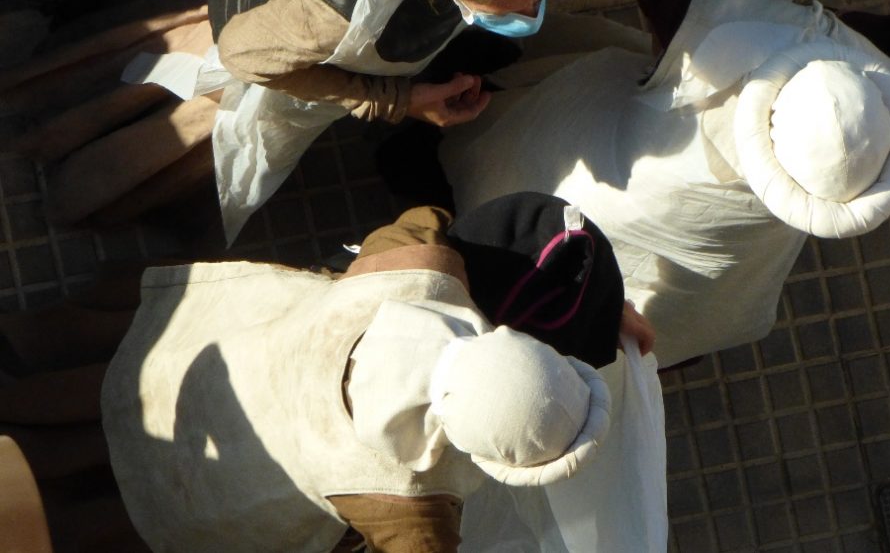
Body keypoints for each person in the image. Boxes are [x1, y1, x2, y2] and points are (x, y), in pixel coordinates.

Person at [0, 192, 658, 552]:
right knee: (108, 512)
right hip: (209, 490)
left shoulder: (425, 278)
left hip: (222, 355)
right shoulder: (410, 500)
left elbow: (420, 220)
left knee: (103, 384)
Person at [438, 0, 890, 367]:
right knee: (667, 326)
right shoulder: (884, 139)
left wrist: (824, 33)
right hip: (677, 287)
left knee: (487, 159)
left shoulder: (713, 50)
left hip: (552, 171)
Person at [0, 0, 547, 242]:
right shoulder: (335, 15)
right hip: (247, 63)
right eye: (519, 3)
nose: (531, 12)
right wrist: (394, 101)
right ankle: (60, 173)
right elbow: (243, 54)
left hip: (280, 24)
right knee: (145, 137)